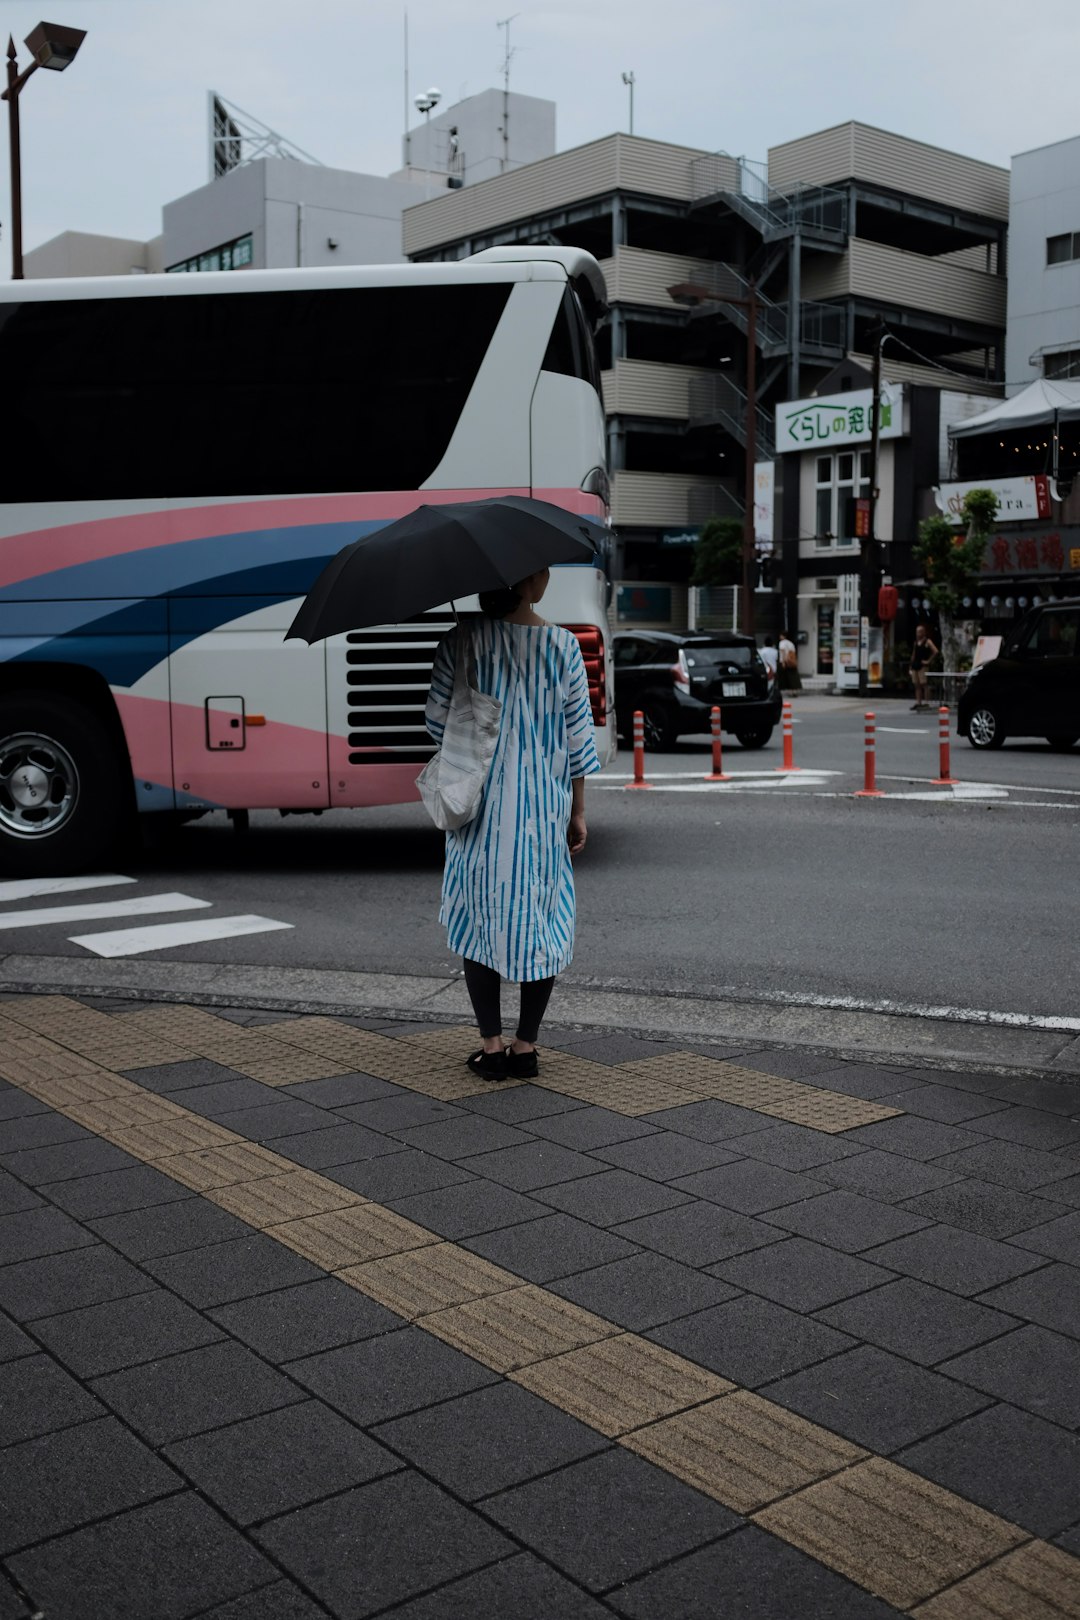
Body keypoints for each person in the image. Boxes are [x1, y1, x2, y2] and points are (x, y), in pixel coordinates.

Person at [425, 568, 600, 1081]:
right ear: (535, 582)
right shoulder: (564, 646)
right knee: (540, 921)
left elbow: (437, 722)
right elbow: (577, 741)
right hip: (543, 810)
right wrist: (578, 810)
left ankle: (492, 1047)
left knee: (480, 922)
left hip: (478, 810)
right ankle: (526, 1046)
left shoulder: (460, 640)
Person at [909, 623, 938, 709]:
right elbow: (913, 654)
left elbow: (935, 651)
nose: (918, 634)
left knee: (924, 684)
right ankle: (918, 702)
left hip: (923, 665)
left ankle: (927, 702)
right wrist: (910, 665)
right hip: (915, 664)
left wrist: (928, 661)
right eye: (917, 632)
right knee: (917, 685)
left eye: (920, 632)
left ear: (923, 632)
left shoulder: (927, 641)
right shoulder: (916, 642)